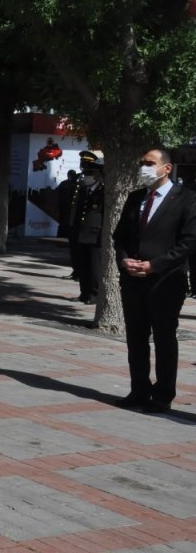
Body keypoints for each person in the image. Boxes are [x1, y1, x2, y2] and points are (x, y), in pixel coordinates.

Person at [111, 148, 196, 414]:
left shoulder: (186, 199)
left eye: (149, 163)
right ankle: (139, 390)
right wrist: (124, 260)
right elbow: (120, 235)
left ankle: (162, 395)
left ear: (166, 168)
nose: (144, 167)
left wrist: (154, 266)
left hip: (166, 282)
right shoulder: (136, 197)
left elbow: (188, 242)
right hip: (133, 280)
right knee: (136, 338)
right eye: (142, 163)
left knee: (164, 338)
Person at [69, 155, 104, 303]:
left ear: (97, 175)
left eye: (90, 174)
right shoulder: (84, 190)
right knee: (82, 265)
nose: (87, 177)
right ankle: (84, 292)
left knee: (94, 267)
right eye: (85, 174)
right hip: (81, 232)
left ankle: (94, 294)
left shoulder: (103, 192)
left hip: (95, 234)